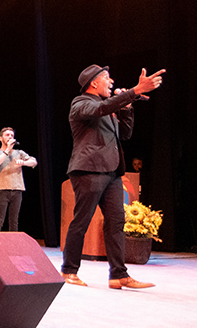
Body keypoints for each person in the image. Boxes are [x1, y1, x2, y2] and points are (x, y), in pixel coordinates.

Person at [60, 65, 164, 289]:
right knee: (82, 221)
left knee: (116, 223)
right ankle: (69, 271)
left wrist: (126, 107)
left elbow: (124, 135)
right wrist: (134, 91)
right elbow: (100, 109)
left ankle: (118, 274)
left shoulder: (108, 110)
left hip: (112, 172)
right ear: (93, 83)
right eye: (107, 78)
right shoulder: (81, 103)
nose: (112, 81)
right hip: (89, 170)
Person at [0, 127, 37, 232]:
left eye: (12, 135)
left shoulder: (19, 153)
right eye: (7, 135)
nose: (10, 137)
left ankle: (12, 247)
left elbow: (34, 162)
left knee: (14, 221)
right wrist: (7, 150)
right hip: (1, 190)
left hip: (17, 190)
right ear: (1, 138)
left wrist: (23, 162)